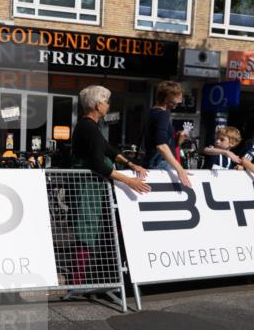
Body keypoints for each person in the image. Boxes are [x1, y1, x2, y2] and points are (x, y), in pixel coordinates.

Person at [70, 85, 150, 284]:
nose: (108, 106)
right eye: (106, 102)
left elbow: (108, 149)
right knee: (86, 230)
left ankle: (86, 276)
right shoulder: (88, 127)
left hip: (92, 186)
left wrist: (130, 163)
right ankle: (77, 280)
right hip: (88, 187)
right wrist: (129, 180)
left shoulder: (89, 126)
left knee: (93, 229)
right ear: (98, 105)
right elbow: (98, 162)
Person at [143, 81, 192, 188]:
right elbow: (161, 145)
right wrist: (180, 169)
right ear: (167, 98)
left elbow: (163, 143)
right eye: (178, 97)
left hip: (153, 162)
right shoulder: (163, 114)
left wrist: (179, 138)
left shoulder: (152, 112)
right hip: (161, 164)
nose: (180, 101)